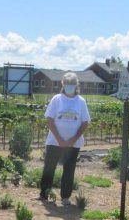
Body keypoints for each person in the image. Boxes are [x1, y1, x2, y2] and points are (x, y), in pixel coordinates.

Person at [39, 72, 91, 205]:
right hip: (54, 142)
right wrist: (59, 139)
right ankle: (44, 194)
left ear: (76, 85)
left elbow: (85, 122)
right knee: (49, 167)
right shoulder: (56, 99)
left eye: (72, 84)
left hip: (73, 144)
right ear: (63, 84)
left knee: (69, 169)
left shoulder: (81, 101)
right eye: (67, 84)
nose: (70, 87)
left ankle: (66, 197)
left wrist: (73, 139)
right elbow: (50, 119)